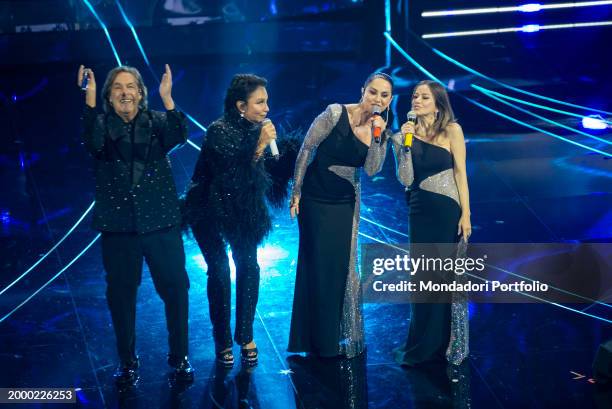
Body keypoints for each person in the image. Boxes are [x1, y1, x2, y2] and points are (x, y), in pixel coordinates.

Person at [77, 64, 194, 385]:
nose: (125, 92)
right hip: (119, 229)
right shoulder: (100, 126)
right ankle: (127, 360)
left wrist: (168, 98)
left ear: (141, 94)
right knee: (121, 296)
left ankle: (180, 356)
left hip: (161, 224)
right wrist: (88, 100)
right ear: (109, 97)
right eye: (117, 88)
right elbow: (89, 142)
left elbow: (180, 135)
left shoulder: (156, 122)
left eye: (131, 87)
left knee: (175, 290)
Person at [184, 74, 296, 367]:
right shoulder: (218, 131)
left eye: (267, 101)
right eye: (260, 102)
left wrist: (281, 154)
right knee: (220, 271)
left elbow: (267, 177)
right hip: (208, 208)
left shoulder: (258, 129)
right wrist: (259, 146)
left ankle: (245, 334)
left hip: (241, 210)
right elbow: (230, 179)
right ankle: (221, 340)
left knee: (249, 265)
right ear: (240, 106)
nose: (267, 108)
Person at [288, 72, 393, 357]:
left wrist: (378, 137)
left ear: (390, 100)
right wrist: (296, 191)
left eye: (384, 96)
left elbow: (371, 169)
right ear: (363, 90)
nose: (377, 99)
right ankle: (315, 341)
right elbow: (307, 149)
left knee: (339, 268)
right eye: (373, 92)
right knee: (317, 267)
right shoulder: (335, 113)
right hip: (315, 198)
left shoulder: (381, 130)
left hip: (345, 203)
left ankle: (330, 336)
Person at [390, 80, 471, 366]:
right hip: (419, 209)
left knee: (444, 277)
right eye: (415, 96)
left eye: (424, 97)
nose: (417, 100)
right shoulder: (402, 136)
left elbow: (460, 173)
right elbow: (405, 179)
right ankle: (423, 343)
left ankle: (444, 343)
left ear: (437, 104)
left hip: (448, 211)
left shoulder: (452, 130)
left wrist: (467, 214)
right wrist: (406, 145)